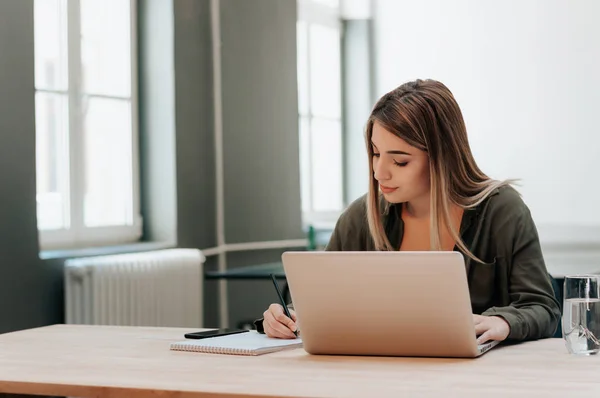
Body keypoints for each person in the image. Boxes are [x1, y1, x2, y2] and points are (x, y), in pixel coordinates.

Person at [255, 79, 561, 344]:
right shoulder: (361, 217)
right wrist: (287, 317)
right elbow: (316, 308)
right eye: (375, 154)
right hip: (380, 374)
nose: (379, 173)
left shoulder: (501, 210)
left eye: (400, 161)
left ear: (444, 158)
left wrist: (502, 322)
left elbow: (544, 309)